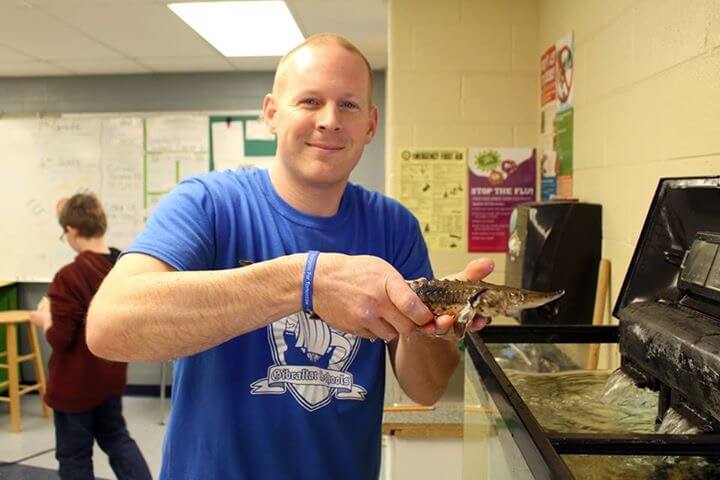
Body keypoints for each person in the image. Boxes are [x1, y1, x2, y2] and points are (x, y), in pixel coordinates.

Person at [87, 34, 493, 479]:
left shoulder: (394, 226)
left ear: (371, 125)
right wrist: (305, 282)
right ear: (271, 114)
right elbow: (109, 327)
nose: (330, 121)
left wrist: (430, 325)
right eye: (309, 101)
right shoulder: (207, 204)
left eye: (350, 105)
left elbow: (427, 389)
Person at [30, 193, 152, 480]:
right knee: (117, 439)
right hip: (109, 379)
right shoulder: (122, 265)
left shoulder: (69, 277)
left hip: (75, 387)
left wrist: (45, 318)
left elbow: (60, 339)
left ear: (71, 230)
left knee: (74, 456)